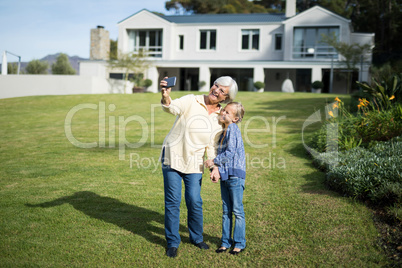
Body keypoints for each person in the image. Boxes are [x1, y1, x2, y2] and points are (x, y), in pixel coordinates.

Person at [160, 76, 238, 258]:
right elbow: (171, 107)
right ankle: (172, 242)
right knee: (173, 201)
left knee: (194, 200)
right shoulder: (192, 100)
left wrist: (214, 167)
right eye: (216, 86)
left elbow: (211, 146)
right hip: (173, 156)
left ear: (225, 98)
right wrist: (166, 95)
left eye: (222, 91)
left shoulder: (220, 118)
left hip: (195, 162)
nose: (216, 91)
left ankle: (196, 237)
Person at [204, 102, 246, 255]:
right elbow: (225, 156)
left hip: (235, 175)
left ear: (235, 119)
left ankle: (240, 242)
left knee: (236, 210)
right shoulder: (223, 132)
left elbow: (230, 152)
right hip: (226, 175)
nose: (223, 113)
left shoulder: (233, 129)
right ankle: (225, 242)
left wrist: (213, 161)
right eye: (224, 110)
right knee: (226, 210)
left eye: (228, 112)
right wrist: (218, 171)